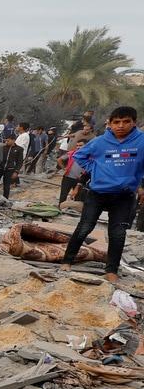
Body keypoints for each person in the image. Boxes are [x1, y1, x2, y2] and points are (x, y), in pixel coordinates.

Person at [62, 107, 144, 283]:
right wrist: (95, 170)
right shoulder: (100, 142)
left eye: (126, 121)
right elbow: (79, 155)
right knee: (85, 227)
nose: (121, 126)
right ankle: (67, 260)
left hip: (124, 195)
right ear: (110, 123)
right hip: (98, 193)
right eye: (116, 122)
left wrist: (140, 184)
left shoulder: (141, 142)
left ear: (134, 122)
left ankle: (111, 270)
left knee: (118, 233)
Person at [0, 132, 23, 198]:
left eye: (8, 141)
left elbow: (19, 162)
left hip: (9, 169)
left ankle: (5, 200)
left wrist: (16, 171)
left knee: (6, 186)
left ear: (13, 140)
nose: (6, 142)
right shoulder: (2, 147)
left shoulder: (19, 149)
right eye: (5, 140)